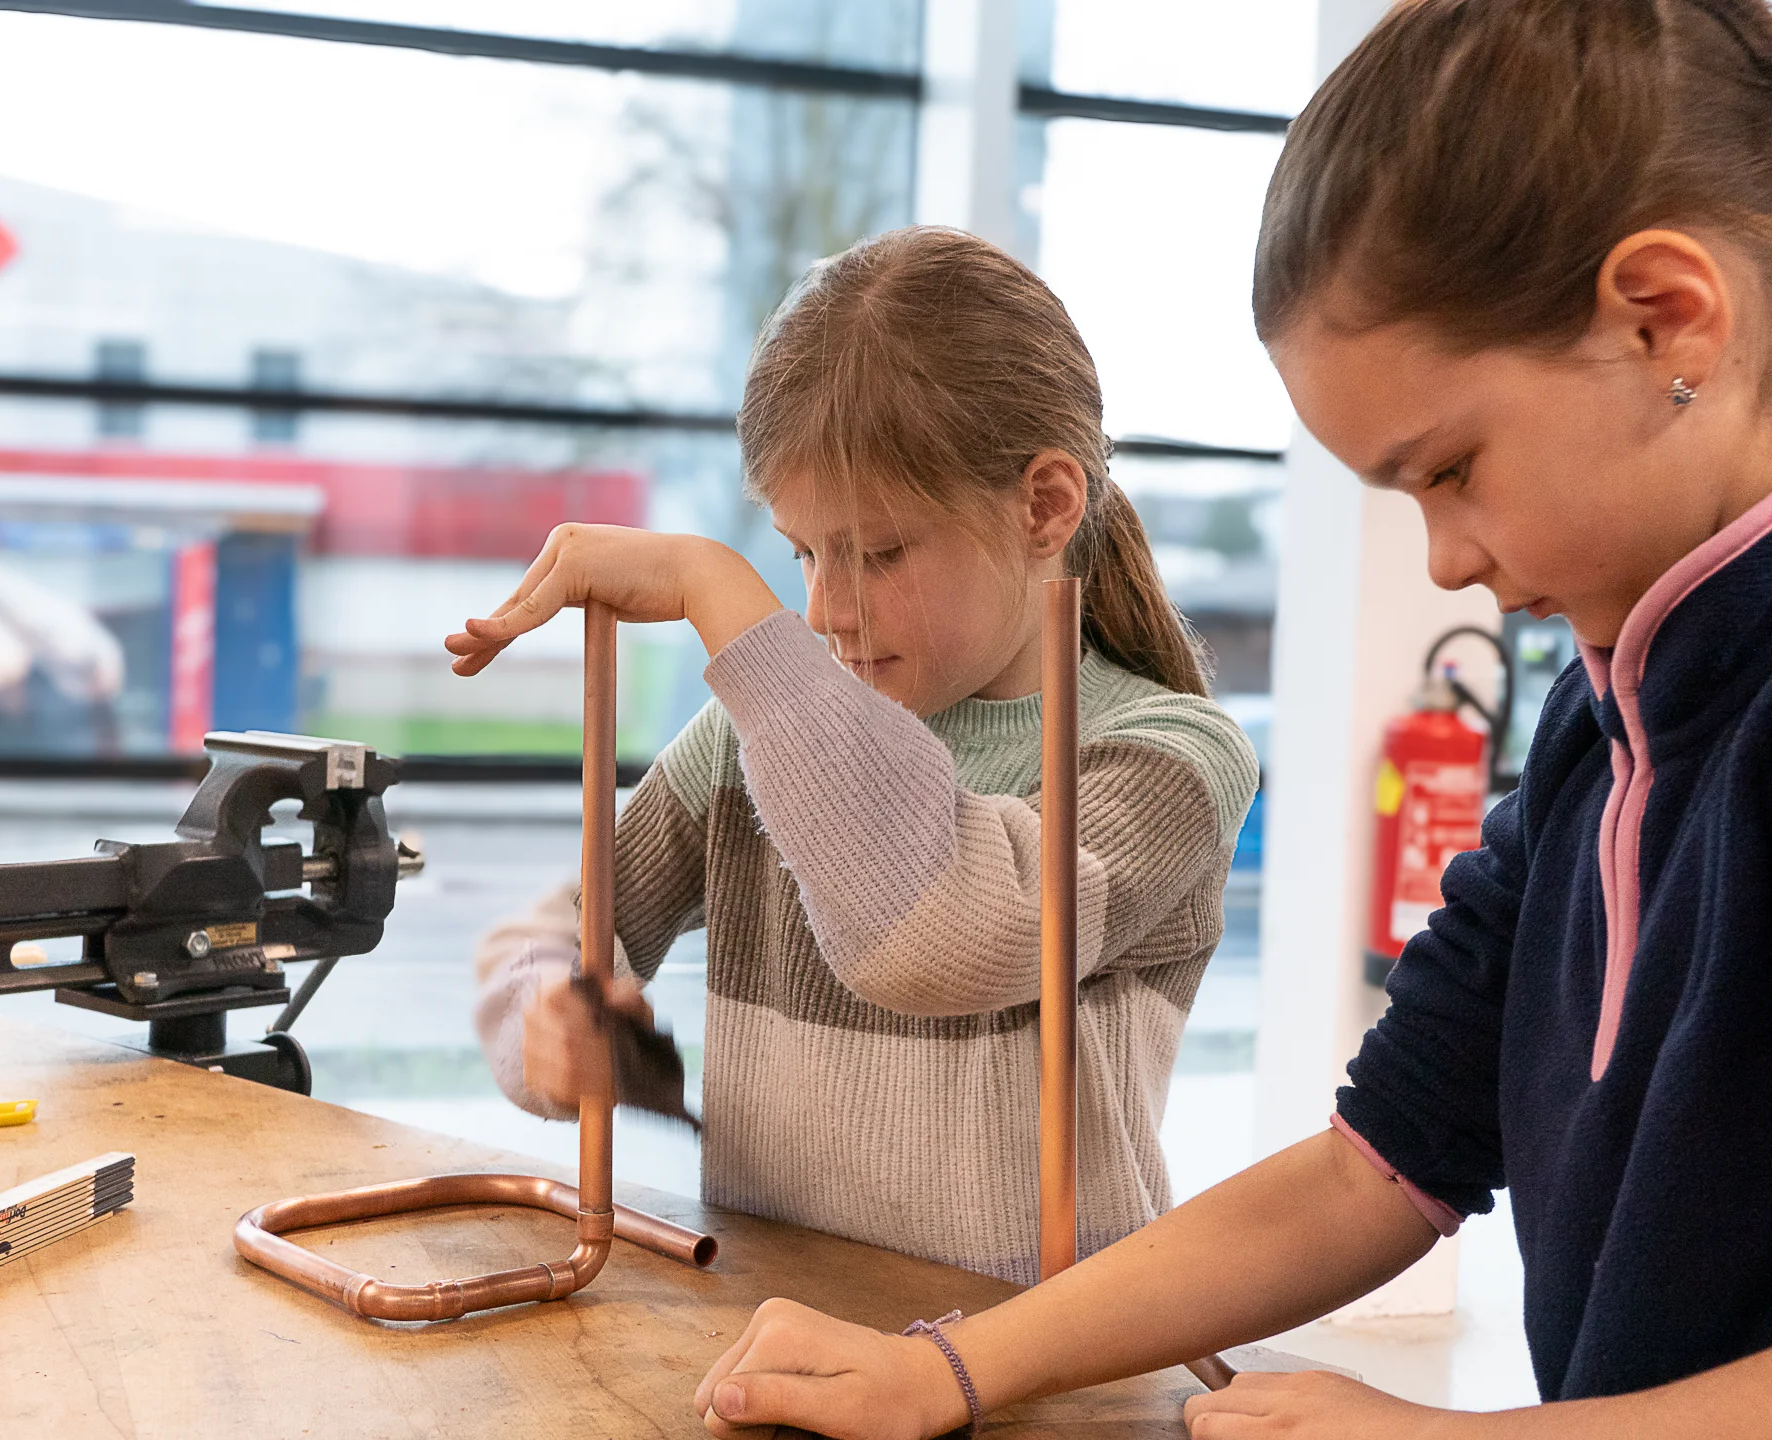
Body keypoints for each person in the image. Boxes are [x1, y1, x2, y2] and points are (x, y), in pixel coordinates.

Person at [683, 1, 1772, 1435]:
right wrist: (951, 1365)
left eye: (1450, 470)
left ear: (1665, 316)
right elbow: (1372, 1164)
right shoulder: (1595, 727)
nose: (1442, 558)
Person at [449, 226, 1258, 1287]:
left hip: (1038, 1368)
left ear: (1045, 506)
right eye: (798, 553)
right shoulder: (761, 739)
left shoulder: (1168, 760)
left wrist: (721, 595)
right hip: (780, 1328)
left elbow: (943, 937)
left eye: (877, 552)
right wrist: (547, 1008)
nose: (825, 610)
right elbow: (560, 926)